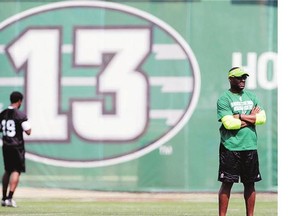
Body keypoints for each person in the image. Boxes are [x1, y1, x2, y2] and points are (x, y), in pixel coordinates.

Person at [217, 67, 266, 216]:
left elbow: (262, 119)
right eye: (239, 77)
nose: (242, 80)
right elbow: (229, 124)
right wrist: (251, 118)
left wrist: (238, 116)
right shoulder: (224, 98)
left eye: (244, 77)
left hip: (250, 146)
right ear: (230, 79)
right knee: (227, 184)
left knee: (250, 184)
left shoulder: (252, 97)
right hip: (230, 146)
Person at [0, 91, 31, 207]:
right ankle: (9, 198)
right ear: (19, 101)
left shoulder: (2, 114)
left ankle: (3, 198)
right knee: (16, 170)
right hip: (16, 146)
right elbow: (28, 131)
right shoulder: (20, 115)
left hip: (6, 146)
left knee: (7, 170)